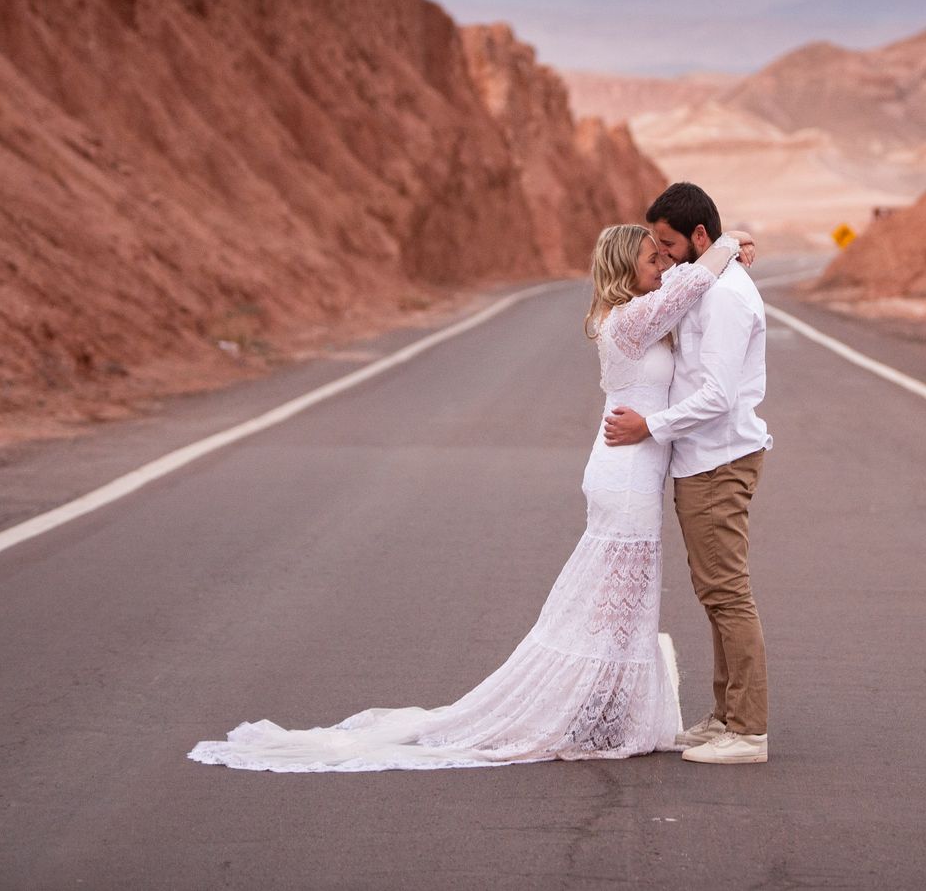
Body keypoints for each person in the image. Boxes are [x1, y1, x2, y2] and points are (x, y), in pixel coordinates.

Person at [186, 221, 754, 772]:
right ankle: (595, 718)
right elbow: (694, 283)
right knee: (618, 598)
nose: (665, 265)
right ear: (623, 270)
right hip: (625, 471)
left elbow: (687, 292)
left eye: (665, 255)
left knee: (623, 598)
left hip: (632, 465)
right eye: (653, 259)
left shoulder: (637, 317)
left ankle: (606, 713)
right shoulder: (628, 321)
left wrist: (724, 245)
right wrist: (728, 242)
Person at [603, 181, 772, 766]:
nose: (664, 256)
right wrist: (734, 241)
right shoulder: (705, 274)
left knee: (728, 593)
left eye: (670, 243)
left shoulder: (727, 298)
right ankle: (725, 716)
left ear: (697, 236)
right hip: (700, 459)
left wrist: (650, 426)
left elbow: (719, 396)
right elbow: (677, 284)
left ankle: (748, 730)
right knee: (714, 592)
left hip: (719, 457)